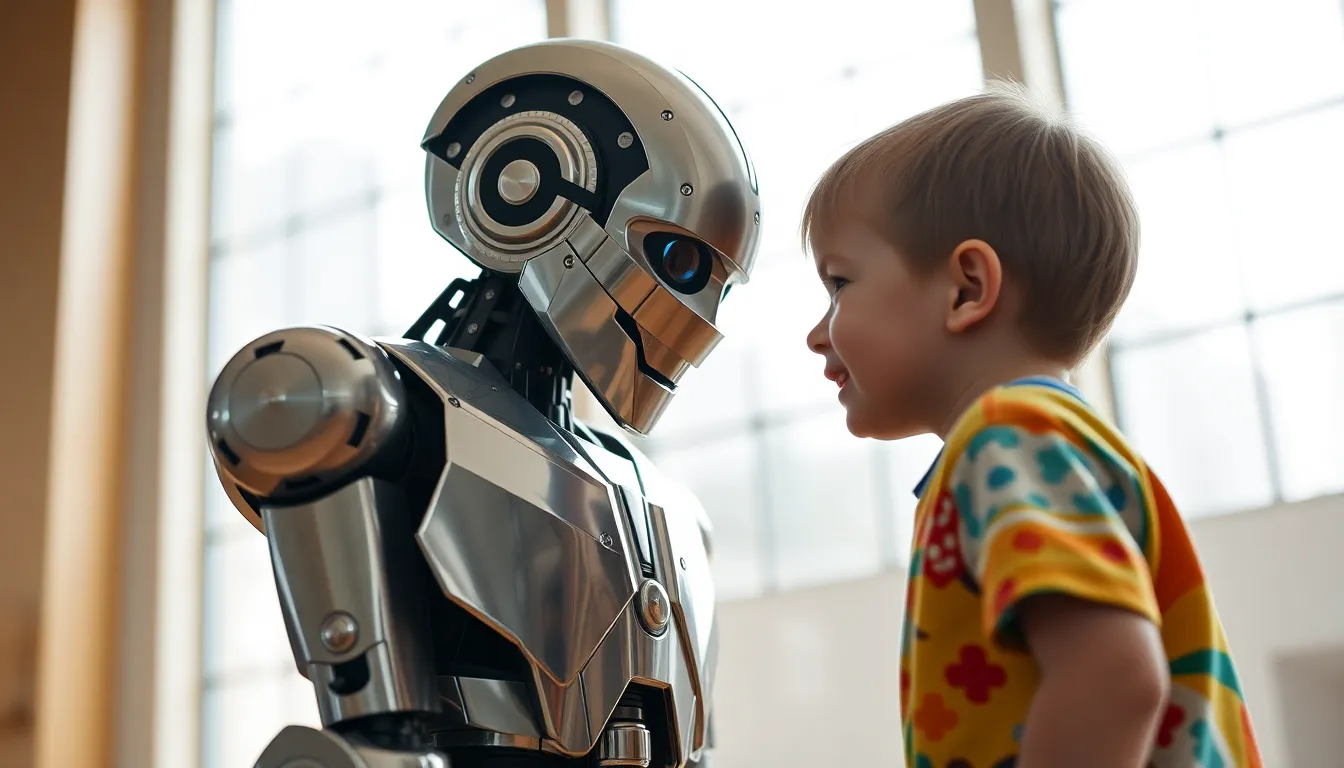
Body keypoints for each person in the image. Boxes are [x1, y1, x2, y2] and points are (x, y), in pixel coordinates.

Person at [802, 82, 1263, 767]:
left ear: (967, 288)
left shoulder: (1009, 435)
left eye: (839, 284)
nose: (817, 334)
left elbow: (1114, 679)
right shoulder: (1042, 438)